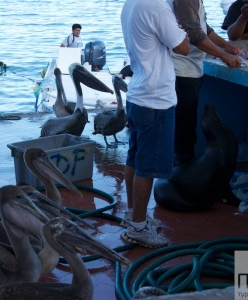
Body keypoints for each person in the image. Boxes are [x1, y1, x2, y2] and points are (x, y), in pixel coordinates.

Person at [120, 0, 190, 247]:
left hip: (137, 95)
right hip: (156, 100)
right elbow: (183, 47)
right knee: (147, 167)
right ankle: (138, 227)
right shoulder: (157, 7)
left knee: (134, 158)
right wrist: (181, 28)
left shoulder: (131, 3)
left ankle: (131, 214)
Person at [167, 0, 242, 166]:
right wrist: (224, 56)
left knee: (185, 129)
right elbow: (194, 33)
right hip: (181, 71)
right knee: (184, 134)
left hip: (189, 70)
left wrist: (226, 46)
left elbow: (203, 28)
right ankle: (181, 179)